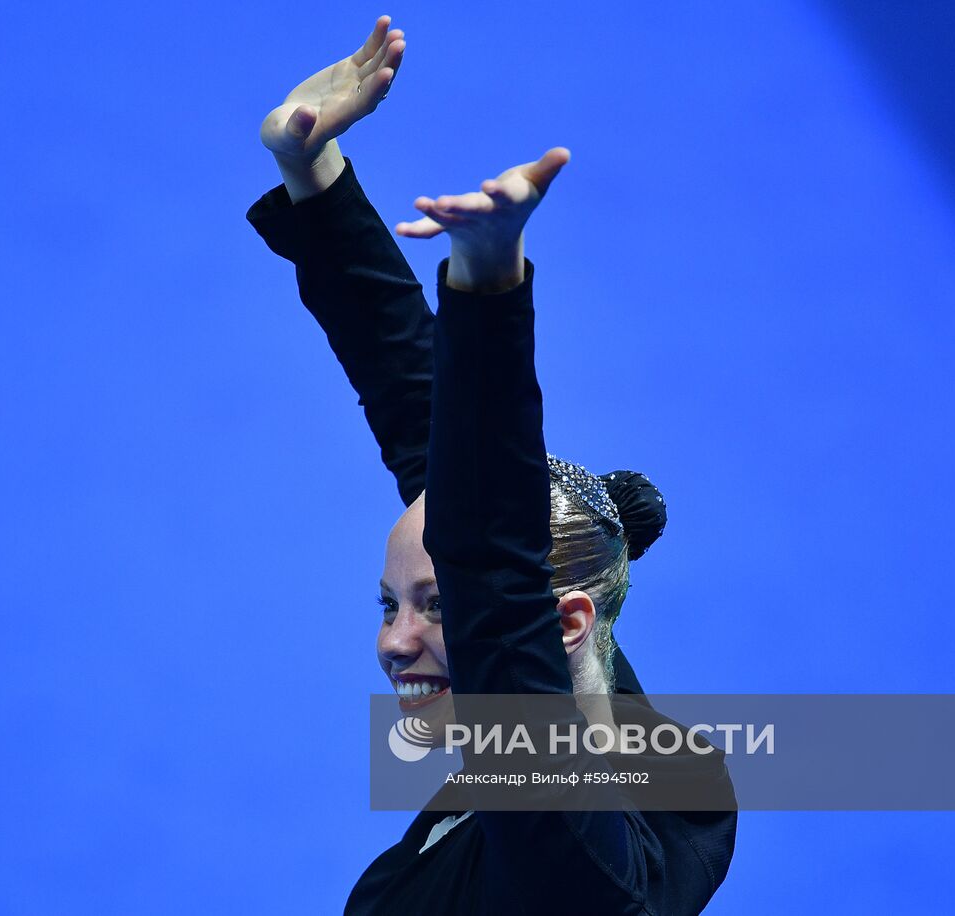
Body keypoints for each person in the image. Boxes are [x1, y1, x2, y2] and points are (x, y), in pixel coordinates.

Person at [247, 16, 736, 914]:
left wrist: (490, 285)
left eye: (439, 606)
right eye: (393, 604)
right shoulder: (619, 745)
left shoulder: (569, 858)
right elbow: (435, 442)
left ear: (561, 621)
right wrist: (312, 174)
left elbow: (497, 569)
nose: (393, 643)